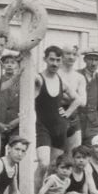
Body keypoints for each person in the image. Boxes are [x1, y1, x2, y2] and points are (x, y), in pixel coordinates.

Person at [31, 45, 73, 173]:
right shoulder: (39, 79)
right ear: (45, 59)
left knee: (52, 169)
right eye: (52, 59)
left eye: (58, 60)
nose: (55, 63)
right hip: (43, 127)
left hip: (59, 129)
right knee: (43, 164)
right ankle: (34, 193)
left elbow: (79, 99)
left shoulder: (61, 81)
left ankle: (46, 193)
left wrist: (67, 112)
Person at [58, 45, 87, 152]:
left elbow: (83, 102)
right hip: (57, 117)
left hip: (73, 119)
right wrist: (74, 98)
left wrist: (67, 94)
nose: (71, 57)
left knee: (74, 155)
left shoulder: (79, 77)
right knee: (55, 157)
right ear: (61, 55)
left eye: (74, 54)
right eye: (68, 54)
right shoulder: (55, 74)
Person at [76, 49, 98, 150]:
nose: (93, 63)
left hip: (94, 123)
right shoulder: (76, 75)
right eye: (90, 59)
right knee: (75, 152)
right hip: (77, 121)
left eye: (96, 60)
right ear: (85, 60)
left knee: (92, 152)